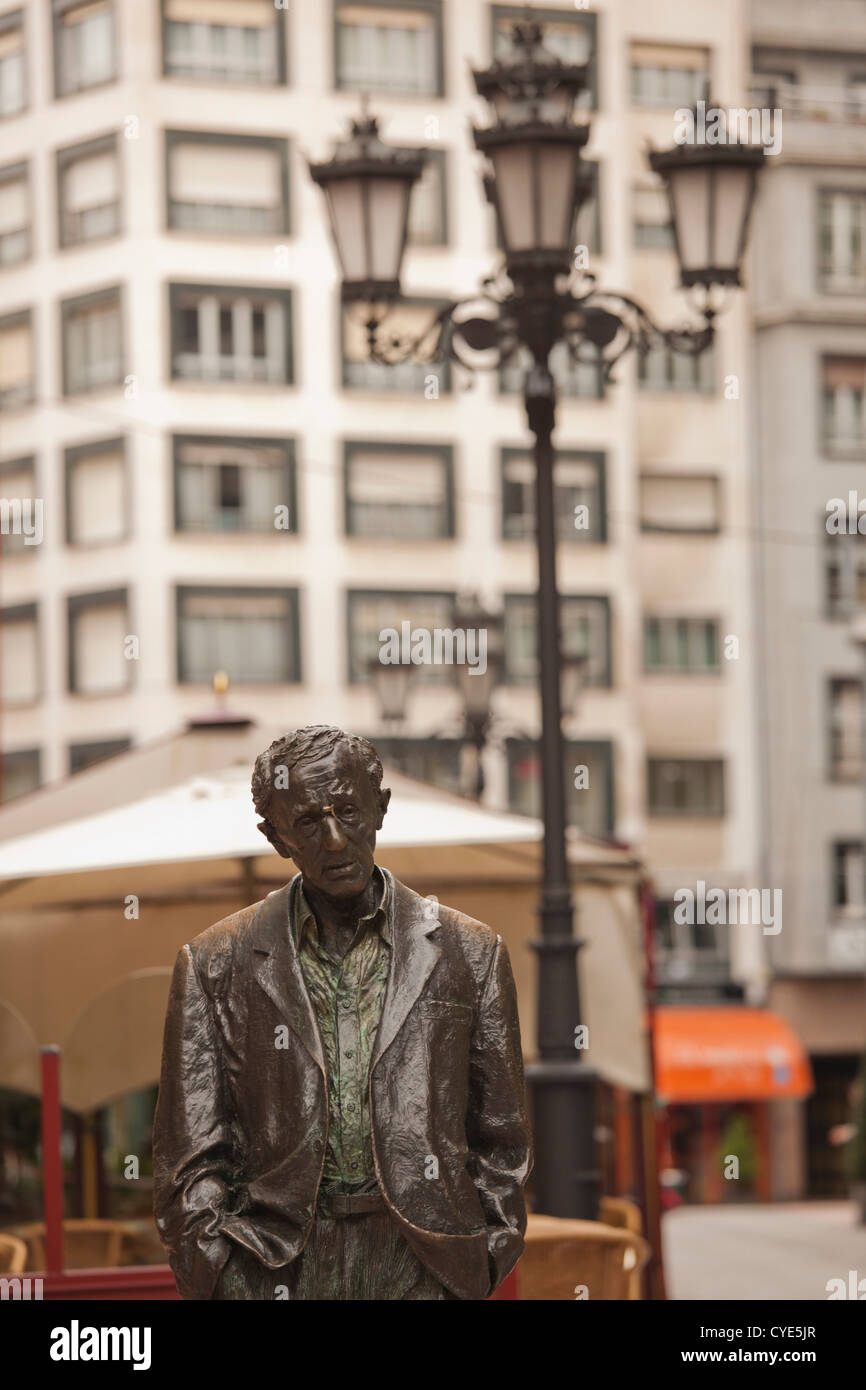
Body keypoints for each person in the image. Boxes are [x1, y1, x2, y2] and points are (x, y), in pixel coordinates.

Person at [153, 724, 532, 1299]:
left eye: (348, 812)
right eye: (308, 821)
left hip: (426, 1265)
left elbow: (501, 1140)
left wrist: (480, 1258)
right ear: (276, 836)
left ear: (380, 808)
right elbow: (187, 1155)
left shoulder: (471, 953)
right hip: (277, 1269)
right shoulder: (213, 964)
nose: (333, 839)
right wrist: (223, 1274)